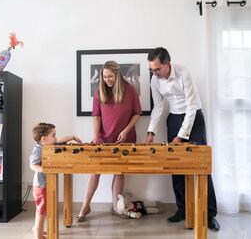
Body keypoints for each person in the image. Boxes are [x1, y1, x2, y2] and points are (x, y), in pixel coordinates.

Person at [145, 47, 220, 231]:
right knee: (175, 167)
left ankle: (209, 215)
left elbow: (192, 106)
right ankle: (183, 210)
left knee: (202, 166)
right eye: (151, 70)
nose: (154, 73)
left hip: (194, 119)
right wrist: (151, 131)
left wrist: (181, 135)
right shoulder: (155, 80)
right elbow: (158, 107)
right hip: (174, 118)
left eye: (157, 69)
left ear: (167, 64)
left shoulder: (184, 73)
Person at [76, 60, 142, 222]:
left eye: (110, 76)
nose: (107, 79)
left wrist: (126, 131)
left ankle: (115, 207)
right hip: (104, 139)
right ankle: (85, 206)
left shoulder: (130, 90)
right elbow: (96, 117)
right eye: (104, 77)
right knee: (94, 172)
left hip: (125, 139)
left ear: (117, 75)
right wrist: (96, 136)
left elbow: (137, 113)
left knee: (119, 172)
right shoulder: (100, 93)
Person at [30, 123, 82, 239]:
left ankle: (36, 228)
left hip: (45, 184)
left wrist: (73, 136)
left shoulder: (47, 144)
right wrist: (46, 169)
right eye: (53, 135)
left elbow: (60, 139)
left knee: (43, 208)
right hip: (40, 185)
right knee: (41, 210)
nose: (55, 138)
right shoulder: (38, 149)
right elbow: (33, 165)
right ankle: (38, 235)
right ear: (44, 138)